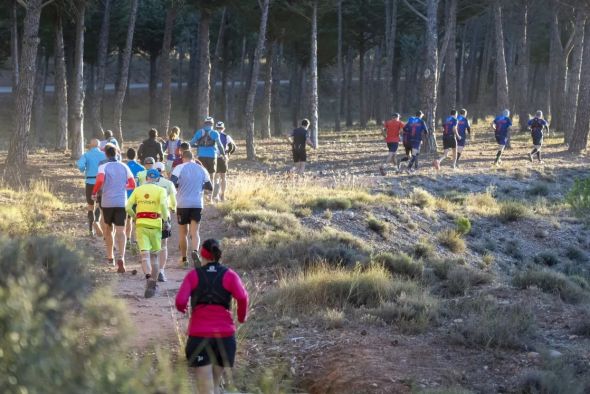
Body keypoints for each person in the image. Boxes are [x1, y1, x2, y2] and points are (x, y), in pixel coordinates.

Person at [175, 239, 248, 394]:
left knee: (205, 390)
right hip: (225, 336)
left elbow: (180, 301)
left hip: (200, 336)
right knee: (214, 386)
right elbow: (242, 297)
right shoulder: (230, 275)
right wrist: (241, 318)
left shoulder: (193, 275)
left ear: (202, 254)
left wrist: (184, 309)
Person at [92, 144, 136, 272]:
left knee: (108, 229)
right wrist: (122, 188)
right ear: (116, 154)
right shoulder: (124, 166)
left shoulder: (103, 166)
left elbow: (100, 181)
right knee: (121, 231)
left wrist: (94, 192)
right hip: (121, 202)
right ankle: (121, 257)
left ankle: (110, 257)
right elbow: (132, 184)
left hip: (107, 202)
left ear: (106, 154)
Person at [126, 169, 169, 298]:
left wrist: (134, 217)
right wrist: (165, 220)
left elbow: (128, 207)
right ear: (157, 179)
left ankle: (148, 278)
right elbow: (162, 204)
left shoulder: (138, 190)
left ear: (146, 178)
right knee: (155, 256)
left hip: (141, 224)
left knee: (144, 255)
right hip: (155, 225)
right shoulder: (161, 190)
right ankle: (153, 282)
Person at [171, 150, 213, 267]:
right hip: (197, 204)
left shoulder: (179, 168)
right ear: (193, 157)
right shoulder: (202, 169)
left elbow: (172, 183)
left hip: (182, 203)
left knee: (182, 233)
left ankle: (184, 259)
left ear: (183, 158)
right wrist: (198, 185)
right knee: (195, 232)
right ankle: (195, 252)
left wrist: (181, 185)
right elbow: (210, 187)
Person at [190, 117, 226, 202]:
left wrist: (197, 146)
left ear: (204, 124)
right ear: (212, 124)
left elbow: (191, 143)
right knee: (211, 177)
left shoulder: (199, 132)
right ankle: (210, 199)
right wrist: (223, 154)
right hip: (212, 157)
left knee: (201, 177)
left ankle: (201, 198)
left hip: (201, 156)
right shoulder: (215, 133)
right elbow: (220, 145)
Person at [153, 161, 177, 282]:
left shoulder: (146, 184)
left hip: (148, 216)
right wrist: (172, 209)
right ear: (163, 171)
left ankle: (152, 270)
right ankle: (161, 270)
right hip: (163, 216)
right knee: (163, 245)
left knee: (150, 244)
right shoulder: (168, 183)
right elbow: (173, 201)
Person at [77, 139, 107, 237]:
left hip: (90, 182)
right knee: (100, 206)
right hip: (102, 182)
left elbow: (80, 166)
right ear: (99, 146)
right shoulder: (104, 155)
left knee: (90, 206)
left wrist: (84, 168)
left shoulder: (86, 155)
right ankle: (99, 224)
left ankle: (91, 229)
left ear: (90, 145)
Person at [124, 148, 145, 244]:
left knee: (127, 219)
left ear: (127, 156)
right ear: (136, 156)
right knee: (137, 219)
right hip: (138, 197)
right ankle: (136, 240)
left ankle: (127, 239)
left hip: (126, 197)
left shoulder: (124, 167)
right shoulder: (141, 168)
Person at [213, 121, 236, 201]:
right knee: (223, 177)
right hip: (223, 158)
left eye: (220, 128)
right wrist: (228, 154)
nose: (219, 130)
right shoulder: (226, 136)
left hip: (215, 158)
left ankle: (216, 196)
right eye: (219, 128)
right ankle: (222, 195)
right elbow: (233, 146)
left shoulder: (212, 135)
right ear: (224, 128)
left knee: (216, 177)